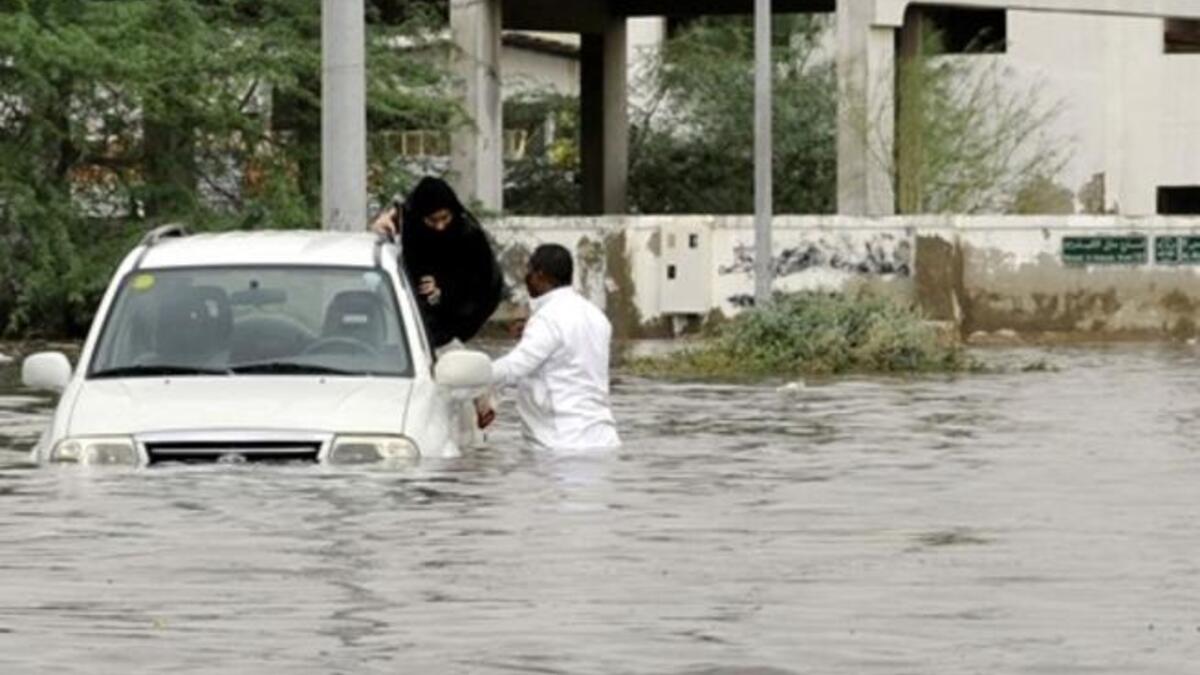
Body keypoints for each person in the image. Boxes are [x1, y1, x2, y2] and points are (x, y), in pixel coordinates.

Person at [491, 244, 620, 452]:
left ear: (540, 275)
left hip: (561, 445)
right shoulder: (595, 315)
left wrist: (474, 377)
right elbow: (568, 359)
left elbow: (514, 368)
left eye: (528, 271)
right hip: (604, 441)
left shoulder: (548, 318)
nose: (526, 278)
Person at [372, 177, 503, 350]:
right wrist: (383, 224)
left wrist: (444, 289)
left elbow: (481, 285)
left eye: (445, 218)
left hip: (457, 319)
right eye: (432, 220)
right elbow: (395, 222)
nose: (440, 226)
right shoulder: (408, 222)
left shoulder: (468, 235)